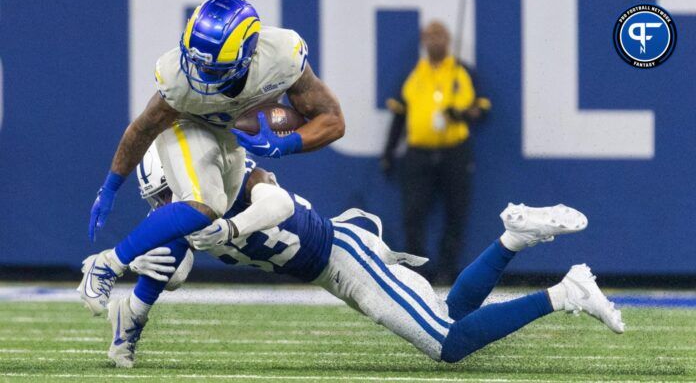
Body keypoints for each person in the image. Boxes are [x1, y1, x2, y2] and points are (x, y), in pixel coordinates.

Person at [104, 147, 624, 368]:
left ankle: (567, 291)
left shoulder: (235, 178)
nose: (166, 208)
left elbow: (280, 203)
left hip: (343, 255)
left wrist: (230, 226)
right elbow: (169, 273)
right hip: (333, 269)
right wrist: (145, 297)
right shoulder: (183, 216)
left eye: (169, 195)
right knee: (452, 318)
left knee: (449, 345)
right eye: (160, 201)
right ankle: (513, 239)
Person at [78, 0, 345, 316]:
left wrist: (285, 144)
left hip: (231, 137)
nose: (202, 73)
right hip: (191, 127)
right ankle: (108, 264)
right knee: (204, 206)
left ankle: (130, 316)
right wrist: (110, 188)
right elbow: (142, 129)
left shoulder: (282, 55)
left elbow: (332, 121)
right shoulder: (178, 76)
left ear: (248, 54)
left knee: (209, 216)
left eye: (213, 68)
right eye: (197, 62)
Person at [381, 21, 490, 284]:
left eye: (439, 35)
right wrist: (388, 151)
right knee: (414, 212)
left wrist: (461, 114)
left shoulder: (462, 72)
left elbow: (482, 108)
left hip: (455, 151)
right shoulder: (414, 74)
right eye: (429, 36)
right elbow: (399, 116)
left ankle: (447, 269)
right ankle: (417, 270)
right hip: (418, 152)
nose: (434, 40)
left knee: (455, 211)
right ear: (422, 40)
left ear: (449, 39)